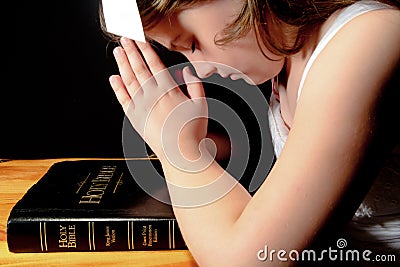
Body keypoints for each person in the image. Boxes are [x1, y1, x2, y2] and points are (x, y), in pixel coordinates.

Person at [99, 0, 399, 266]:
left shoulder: (367, 40)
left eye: (190, 43)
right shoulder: (289, 57)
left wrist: (179, 149)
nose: (201, 70)